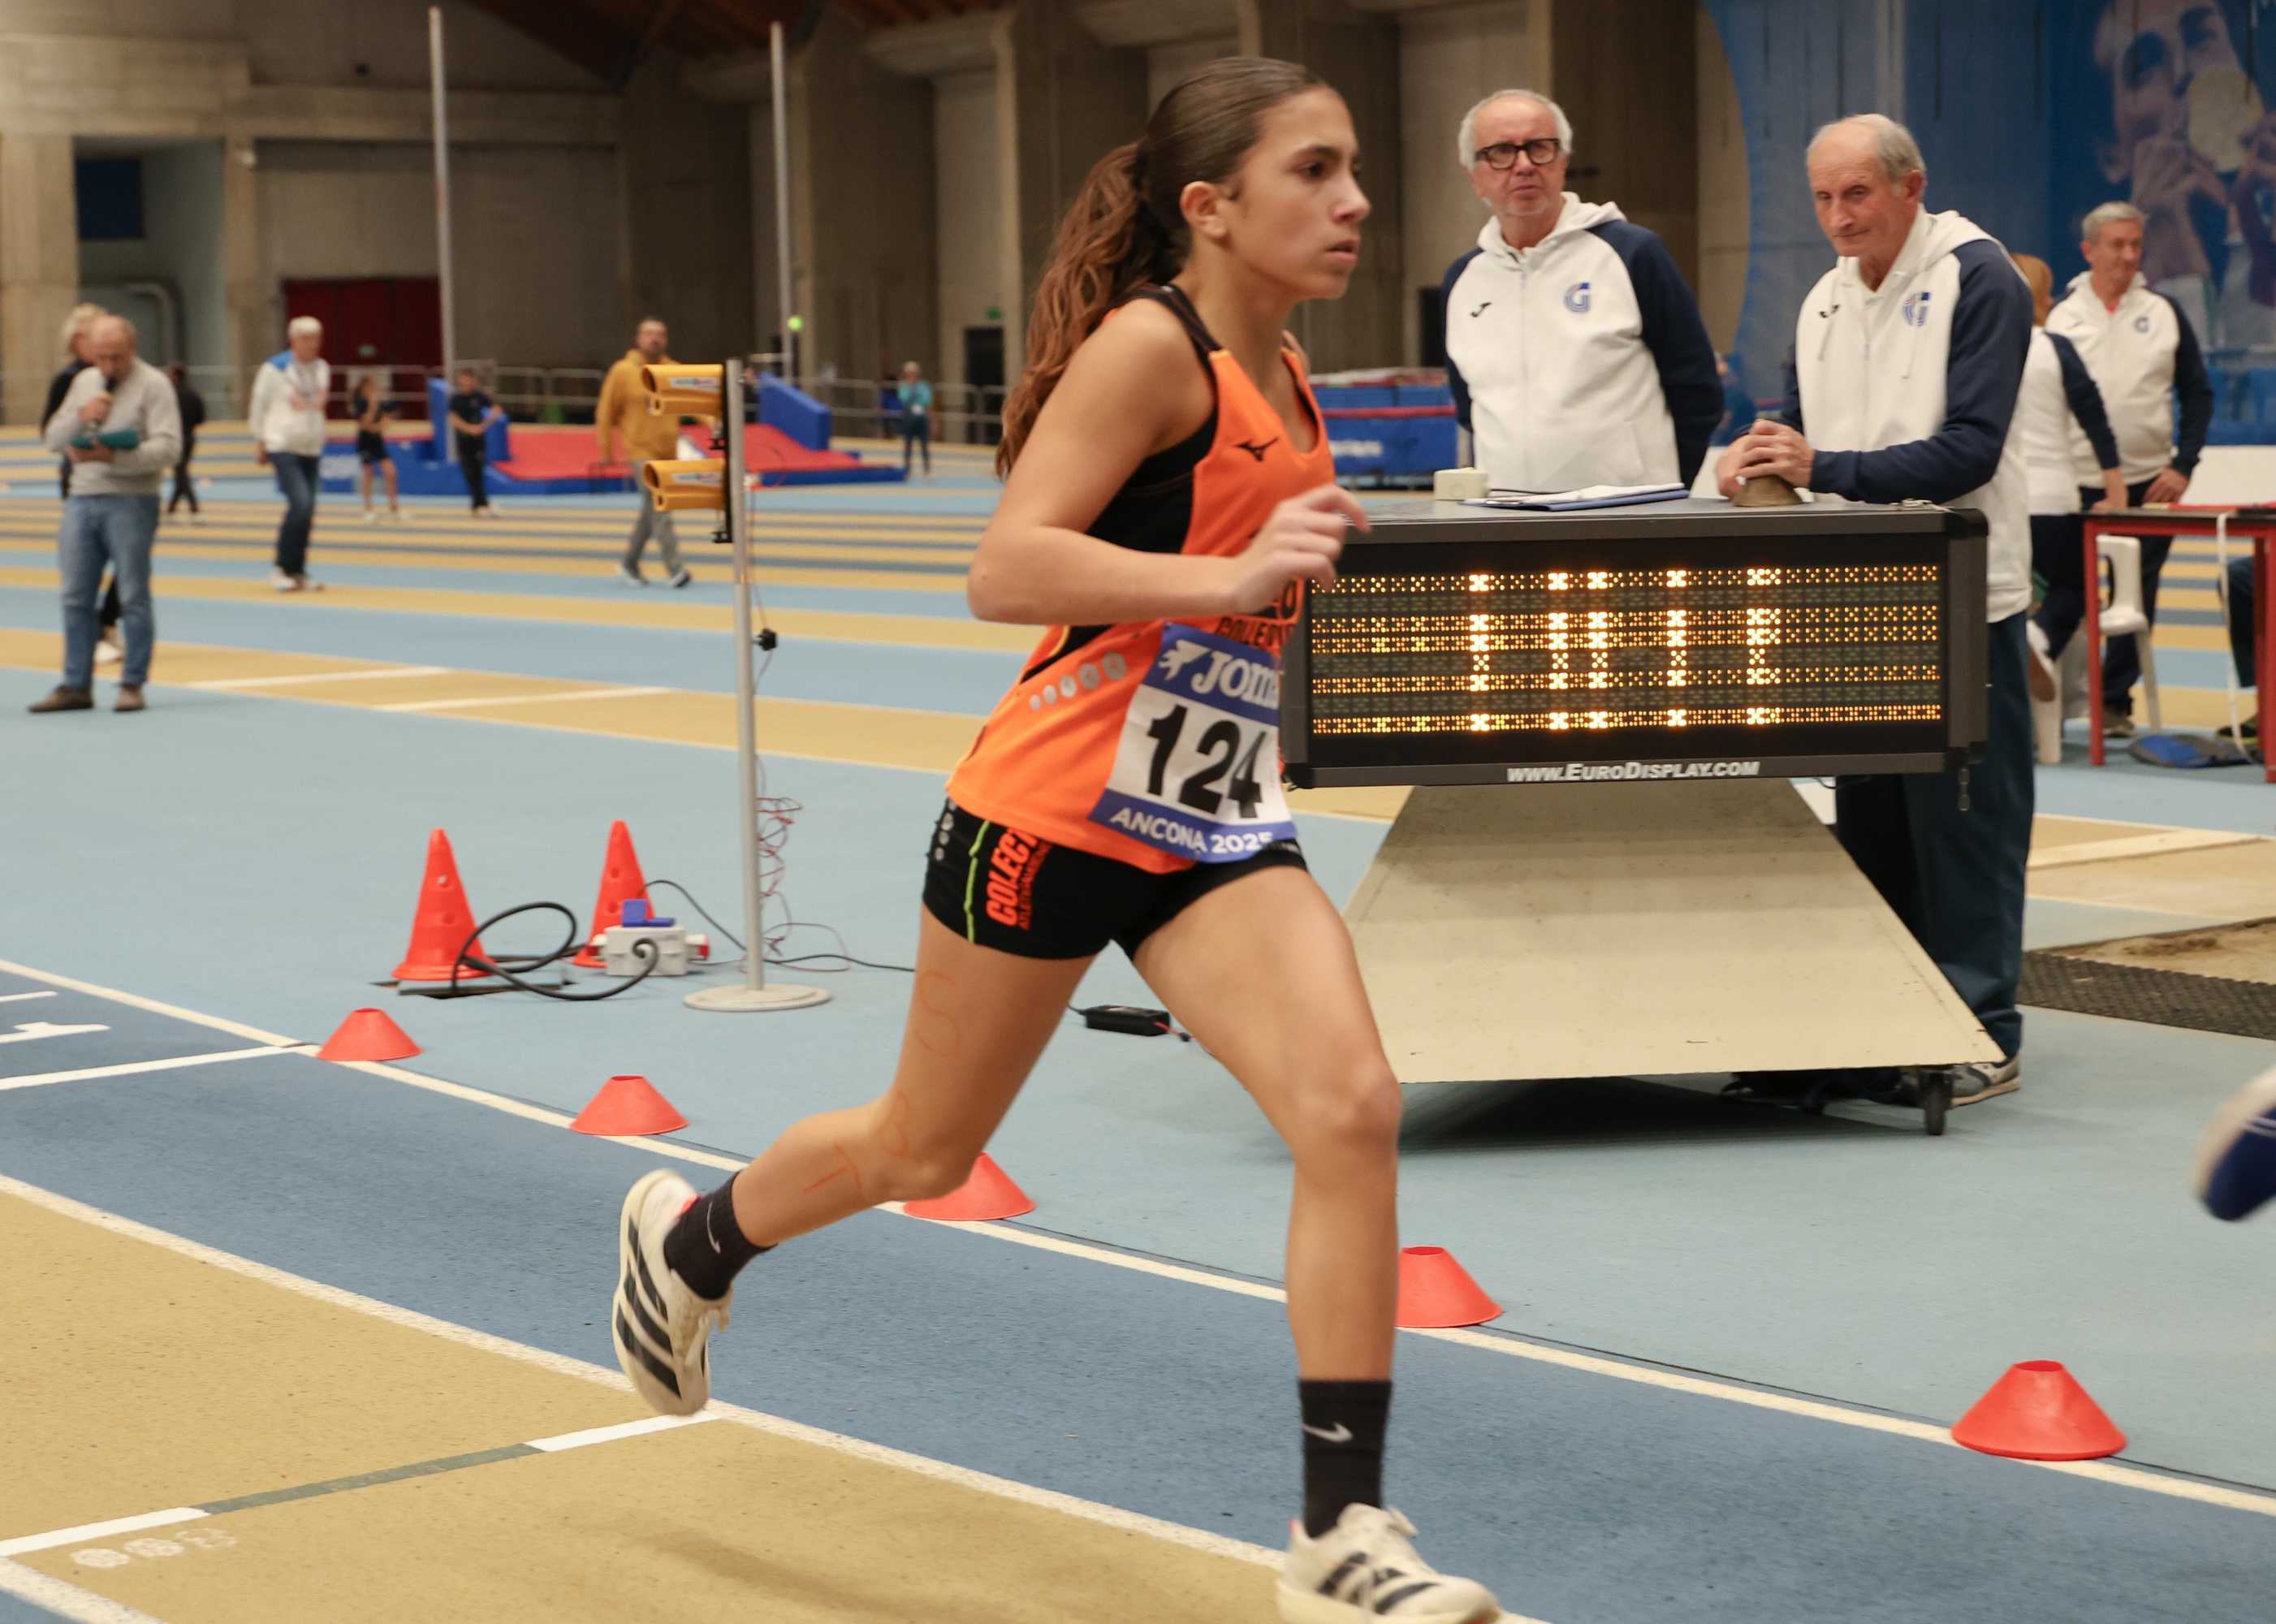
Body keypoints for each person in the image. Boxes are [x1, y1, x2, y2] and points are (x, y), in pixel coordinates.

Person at [606, 57, 1499, 1624]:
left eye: (1352, 166)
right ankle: (691, 1243)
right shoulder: (1150, 350)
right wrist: (1228, 584)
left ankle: (1338, 1533)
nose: (1355, 200)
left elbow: (1231, 599)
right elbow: (1005, 567)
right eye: (1313, 170)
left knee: (1352, 1108)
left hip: (1205, 822)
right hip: (1043, 818)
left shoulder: (1292, 377)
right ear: (1209, 205)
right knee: (924, 1148)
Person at [1717, 114, 2034, 1108]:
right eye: (1821, 197)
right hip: (1854, 601)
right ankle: (1878, 1026)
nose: (1837, 216)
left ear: (1910, 186)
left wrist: (1822, 467)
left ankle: (1982, 1031)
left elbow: (1970, 448)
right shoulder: (1822, 297)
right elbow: (1797, 423)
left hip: (1961, 596)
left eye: (1855, 193)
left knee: (1965, 828)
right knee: (1874, 829)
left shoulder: (1978, 275)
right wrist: (1755, 455)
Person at [1442, 89, 1721, 493]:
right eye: (1501, 152)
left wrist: (1660, 491)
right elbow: (1470, 408)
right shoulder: (1463, 281)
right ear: (1473, 175)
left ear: (1563, 160)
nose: (1523, 165)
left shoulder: (1632, 253)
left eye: (1540, 148)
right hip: (1506, 514)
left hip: (1628, 513)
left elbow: (1696, 388)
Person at [2045, 201, 2215, 736]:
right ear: (2088, 250)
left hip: (2149, 482)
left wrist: (2183, 465)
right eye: (2116, 245)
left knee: (2135, 595)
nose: (2127, 255)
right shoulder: (2061, 317)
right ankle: (2054, 703)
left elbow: (2197, 392)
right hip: (2073, 481)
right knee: (2067, 592)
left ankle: (2114, 702)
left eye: (2135, 245)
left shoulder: (2164, 312)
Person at [27, 317, 181, 715]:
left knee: (132, 594)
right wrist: (82, 415)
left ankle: (132, 683)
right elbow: (52, 439)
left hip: (131, 499)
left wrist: (115, 456)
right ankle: (76, 684)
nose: (109, 366)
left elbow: (169, 448)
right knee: (75, 596)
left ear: (133, 349)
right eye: (102, 357)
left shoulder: (154, 385)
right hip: (81, 498)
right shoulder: (84, 382)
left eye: (118, 357)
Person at [2009, 253, 2127, 705]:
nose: (2053, 300)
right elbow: (2094, 416)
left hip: (1998, 501)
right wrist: (2115, 487)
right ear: (2038, 297)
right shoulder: (2054, 347)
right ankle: (2038, 639)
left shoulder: (1977, 348)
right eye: (2047, 292)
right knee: (2076, 586)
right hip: (2050, 499)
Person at [595, 318, 689, 585]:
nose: (654, 339)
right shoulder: (623, 371)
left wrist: (716, 423)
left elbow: (693, 403)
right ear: (638, 339)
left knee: (652, 508)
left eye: (660, 334)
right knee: (660, 504)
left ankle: (629, 562)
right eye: (649, 334)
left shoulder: (675, 371)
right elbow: (606, 412)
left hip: (667, 451)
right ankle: (675, 567)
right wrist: (606, 449)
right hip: (639, 450)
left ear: (666, 340)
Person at [248, 316, 330, 592]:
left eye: (316, 339)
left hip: (312, 447)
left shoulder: (323, 369)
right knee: (301, 503)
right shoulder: (275, 369)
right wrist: (260, 439)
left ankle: (298, 570)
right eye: (306, 339)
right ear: (293, 341)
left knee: (308, 510)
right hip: (282, 445)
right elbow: (258, 405)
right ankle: (281, 567)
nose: (312, 345)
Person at [44, 304, 105, 503]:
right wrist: (80, 418)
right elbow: (49, 430)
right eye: (82, 336)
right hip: (78, 471)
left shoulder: (118, 374)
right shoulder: (67, 379)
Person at [447, 367, 501, 518]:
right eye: (464, 379)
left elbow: (496, 410)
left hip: (478, 443)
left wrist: (483, 426)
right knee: (469, 473)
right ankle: (482, 503)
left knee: (478, 473)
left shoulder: (479, 397)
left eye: (469, 379)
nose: (466, 382)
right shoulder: (456, 399)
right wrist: (469, 428)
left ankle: (478, 504)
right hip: (463, 443)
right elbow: (453, 418)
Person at [352, 373, 400, 523]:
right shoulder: (361, 403)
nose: (374, 388)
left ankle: (394, 508)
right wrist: (372, 406)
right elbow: (365, 424)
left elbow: (387, 418)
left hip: (378, 442)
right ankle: (369, 509)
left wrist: (383, 422)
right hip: (365, 442)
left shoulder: (379, 402)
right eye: (371, 385)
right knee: (368, 474)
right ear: (365, 387)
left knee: (391, 472)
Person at [165, 361, 205, 524]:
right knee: (181, 473)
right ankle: (170, 512)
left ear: (174, 376)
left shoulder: (170, 395)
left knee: (181, 474)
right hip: (189, 437)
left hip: (176, 438)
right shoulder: (194, 394)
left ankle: (195, 510)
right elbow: (201, 419)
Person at [898, 359, 934, 476]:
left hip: (922, 417)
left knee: (924, 444)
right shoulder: (903, 386)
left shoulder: (924, 386)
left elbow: (927, 399)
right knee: (908, 444)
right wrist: (912, 391)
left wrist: (918, 401)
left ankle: (927, 468)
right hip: (909, 417)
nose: (912, 374)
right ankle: (907, 468)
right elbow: (903, 399)